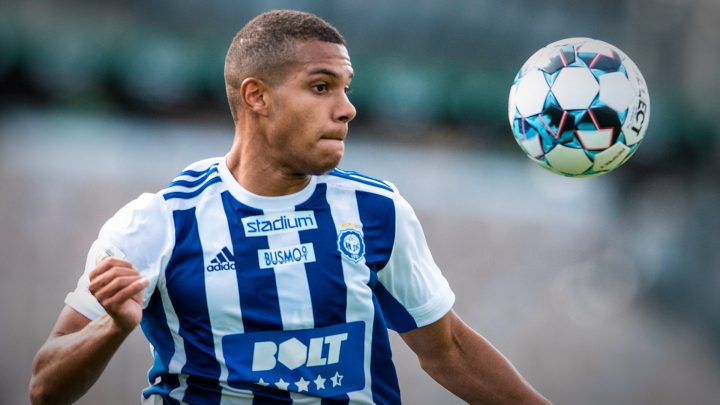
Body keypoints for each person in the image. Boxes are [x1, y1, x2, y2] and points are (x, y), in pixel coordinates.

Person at [29, 9, 551, 405]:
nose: (347, 109)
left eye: (346, 89)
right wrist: (112, 328)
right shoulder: (158, 223)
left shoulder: (377, 210)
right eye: (321, 87)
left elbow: (449, 350)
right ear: (257, 96)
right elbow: (44, 387)